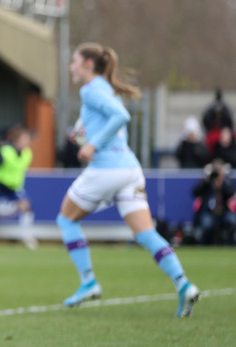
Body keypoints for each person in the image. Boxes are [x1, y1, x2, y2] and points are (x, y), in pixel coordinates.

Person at [55, 42, 200, 317]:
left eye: (74, 61)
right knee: (145, 234)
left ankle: (88, 281)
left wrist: (93, 145)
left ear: (87, 64)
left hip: (107, 169)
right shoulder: (105, 90)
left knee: (66, 219)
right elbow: (109, 121)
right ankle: (184, 285)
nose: (71, 66)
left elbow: (121, 116)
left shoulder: (91, 89)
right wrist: (82, 137)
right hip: (130, 170)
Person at [192, 160, 236, 245]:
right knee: (206, 224)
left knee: (232, 221)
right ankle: (203, 245)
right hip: (209, 212)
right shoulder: (207, 183)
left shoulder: (226, 182)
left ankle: (231, 245)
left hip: (224, 211)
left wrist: (222, 183)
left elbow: (230, 192)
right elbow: (195, 192)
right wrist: (207, 180)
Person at [201, 88, 232, 153]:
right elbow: (206, 119)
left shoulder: (224, 108)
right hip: (213, 131)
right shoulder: (211, 108)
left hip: (223, 131)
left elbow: (229, 121)